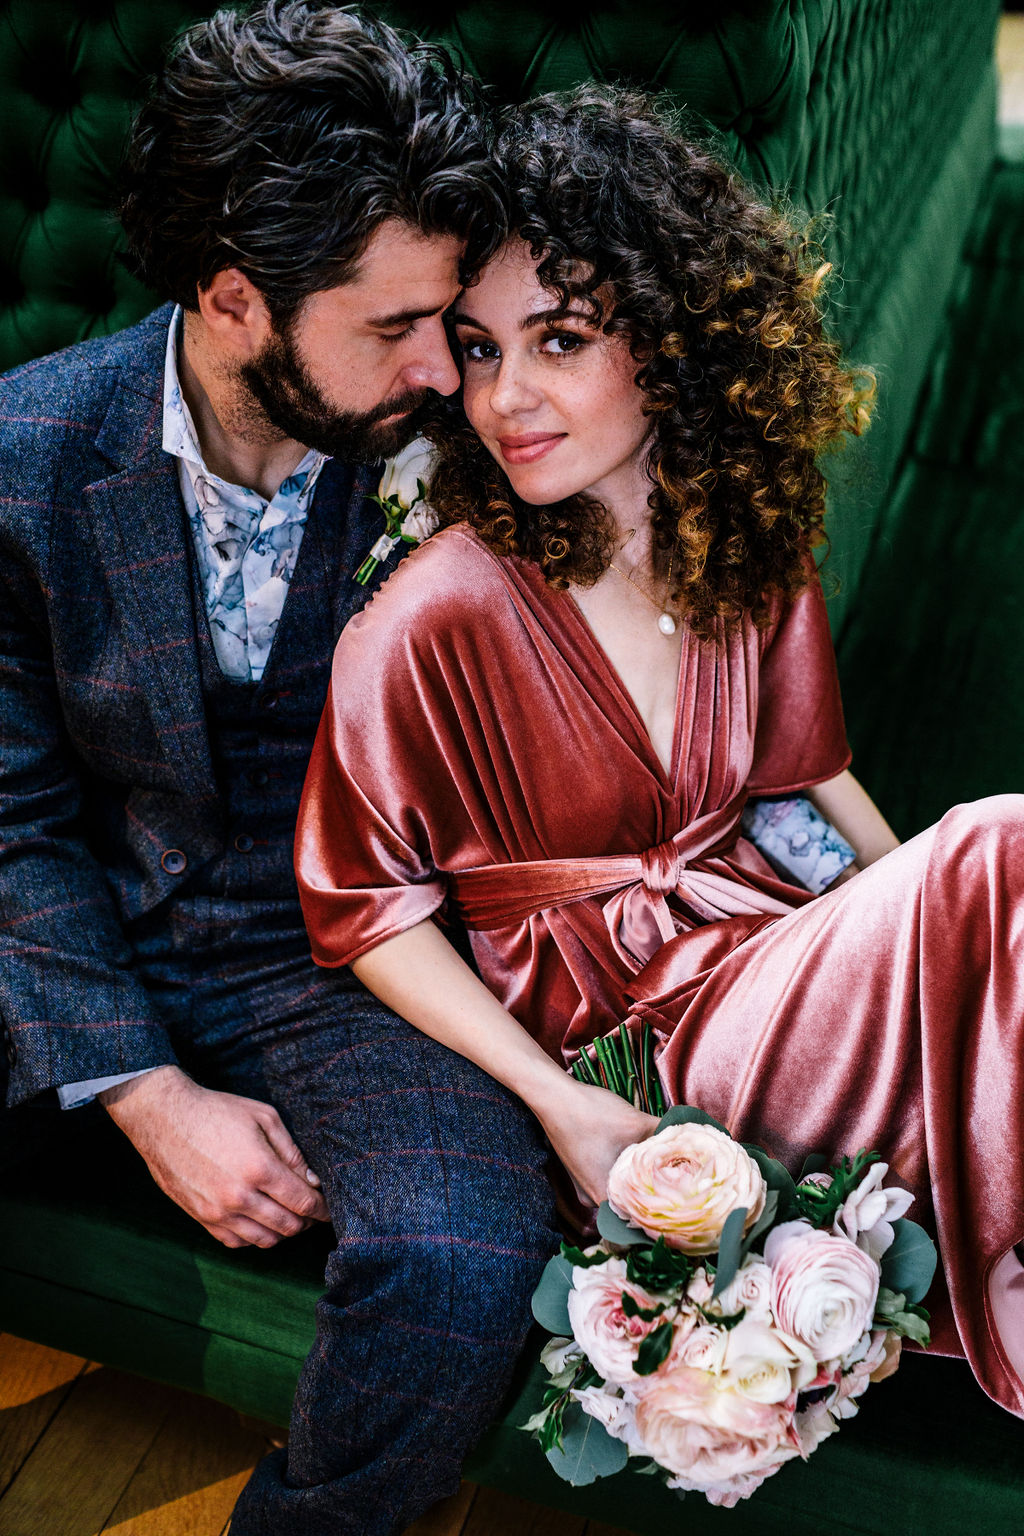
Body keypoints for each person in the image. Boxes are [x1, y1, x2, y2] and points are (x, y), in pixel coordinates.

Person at [296, 84, 1024, 1424]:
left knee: (988, 884)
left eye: (561, 339)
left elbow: (813, 787)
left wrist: (949, 939)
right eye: (478, 348)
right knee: (1001, 840)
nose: (505, 396)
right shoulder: (431, 616)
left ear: (672, 340)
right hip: (626, 1050)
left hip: (762, 958)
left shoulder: (743, 544)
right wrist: (552, 1106)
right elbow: (365, 914)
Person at [0, 5, 558, 1533]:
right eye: (394, 327)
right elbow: (12, 818)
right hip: (83, 912)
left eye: (449, 317)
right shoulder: (25, 463)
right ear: (234, 293)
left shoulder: (470, 454)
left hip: (347, 955)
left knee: (459, 1254)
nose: (445, 368)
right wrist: (142, 1090)